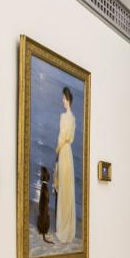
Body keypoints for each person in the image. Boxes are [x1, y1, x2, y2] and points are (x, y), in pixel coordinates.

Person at [54, 87, 77, 244]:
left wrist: (57, 149)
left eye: (63, 98)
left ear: (67, 99)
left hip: (63, 151)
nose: (62, 100)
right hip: (69, 152)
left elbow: (62, 137)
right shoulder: (73, 118)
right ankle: (68, 228)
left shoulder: (63, 117)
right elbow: (71, 138)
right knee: (68, 188)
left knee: (63, 187)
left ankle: (62, 228)